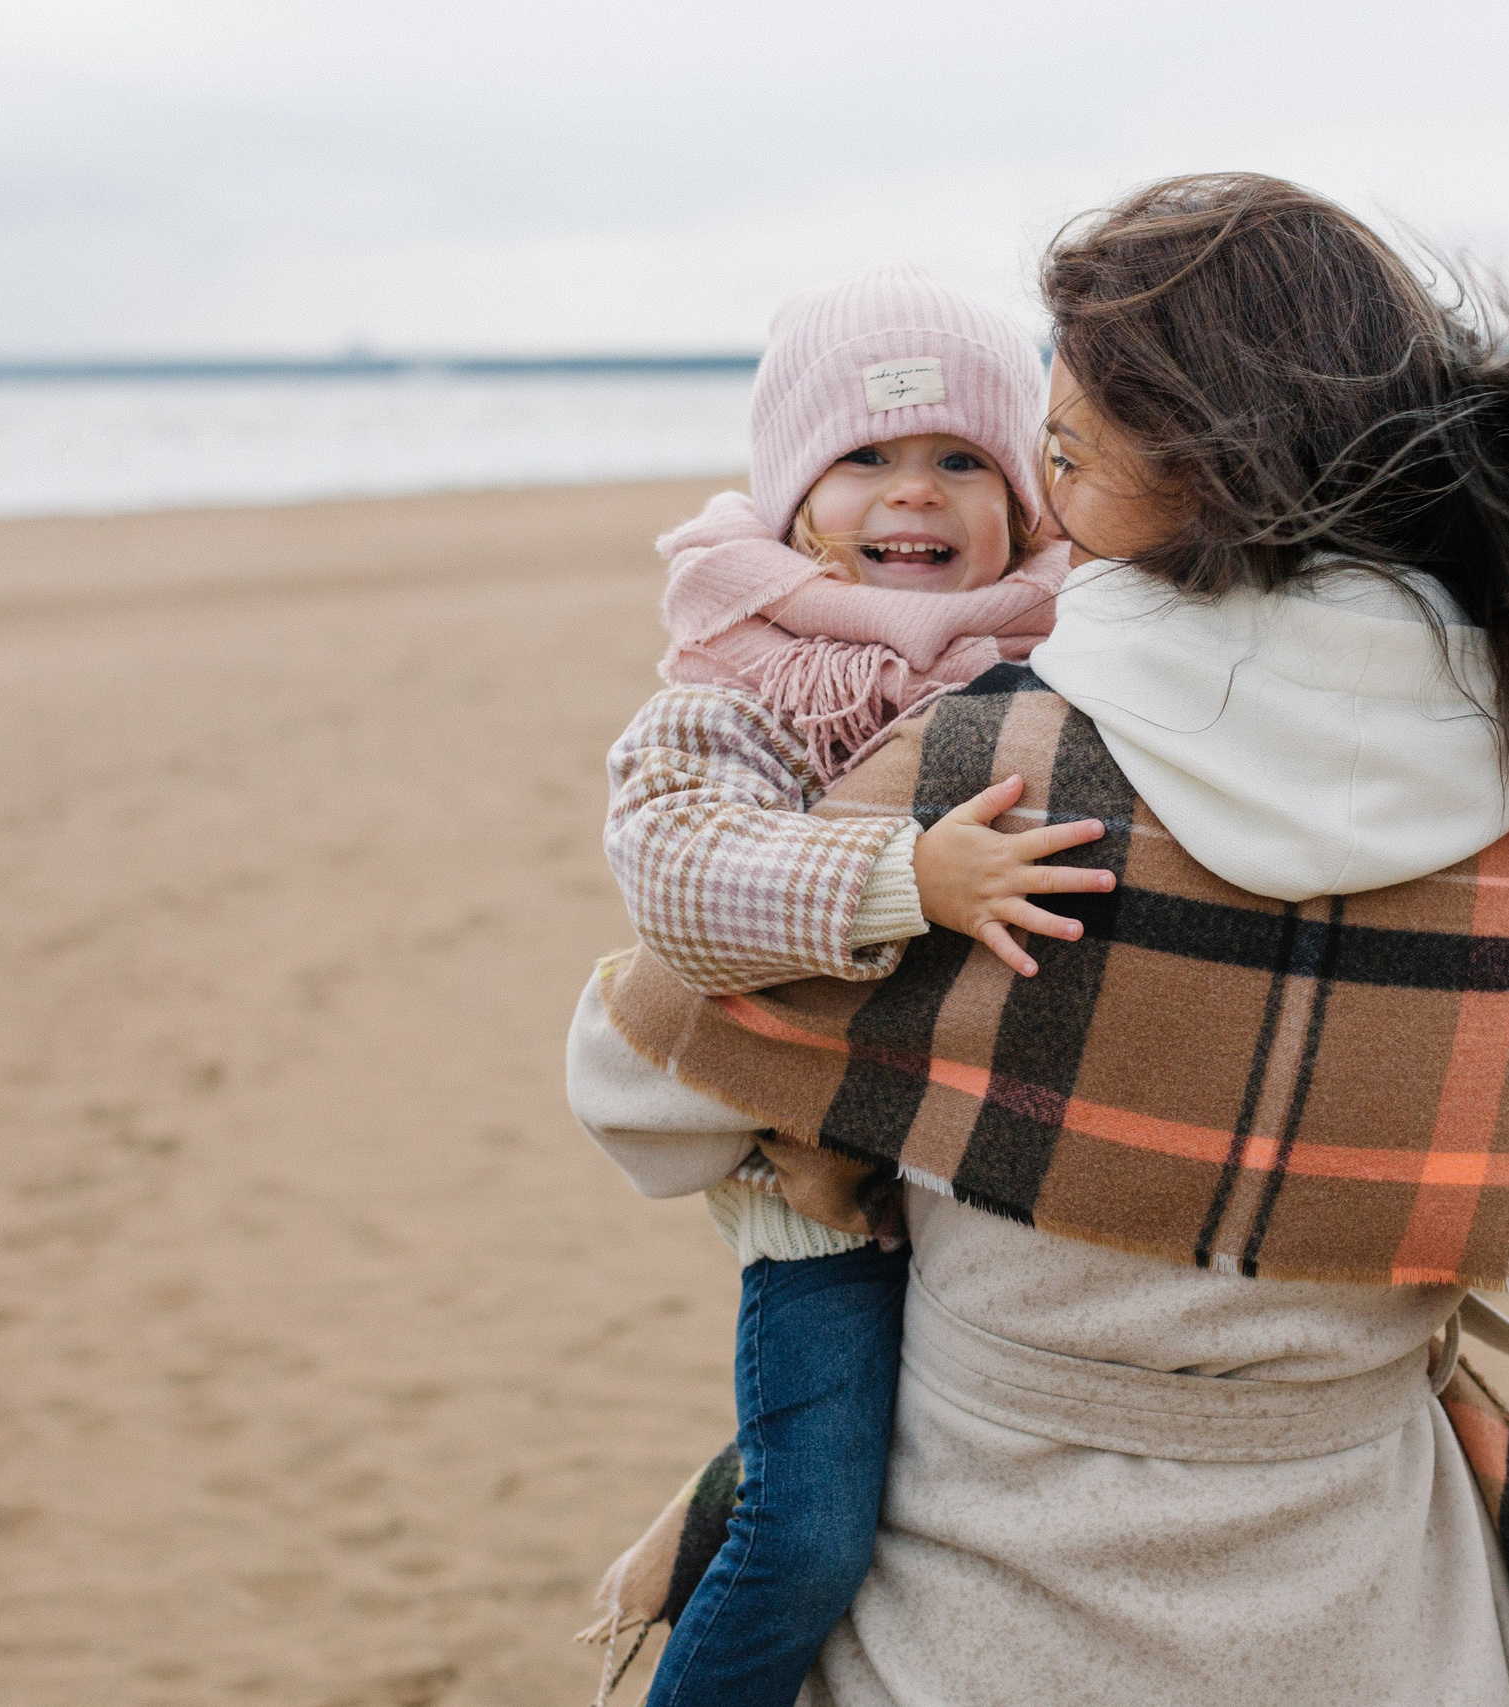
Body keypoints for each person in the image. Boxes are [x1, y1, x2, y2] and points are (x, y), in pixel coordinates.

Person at [574, 174, 1509, 1707]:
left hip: (990, 1596)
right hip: (1377, 1595)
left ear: (1188, 462)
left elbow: (640, 1089)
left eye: (1058, 456)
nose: (1043, 509)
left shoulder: (996, 771)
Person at [590, 261, 1115, 1707]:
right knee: (810, 1527)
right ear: (793, 498)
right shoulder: (735, 675)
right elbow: (678, 874)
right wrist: (909, 881)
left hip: (980, 1168)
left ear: (1028, 495)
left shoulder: (1078, 639)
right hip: (812, 1198)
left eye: (962, 460)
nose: (916, 495)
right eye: (866, 459)